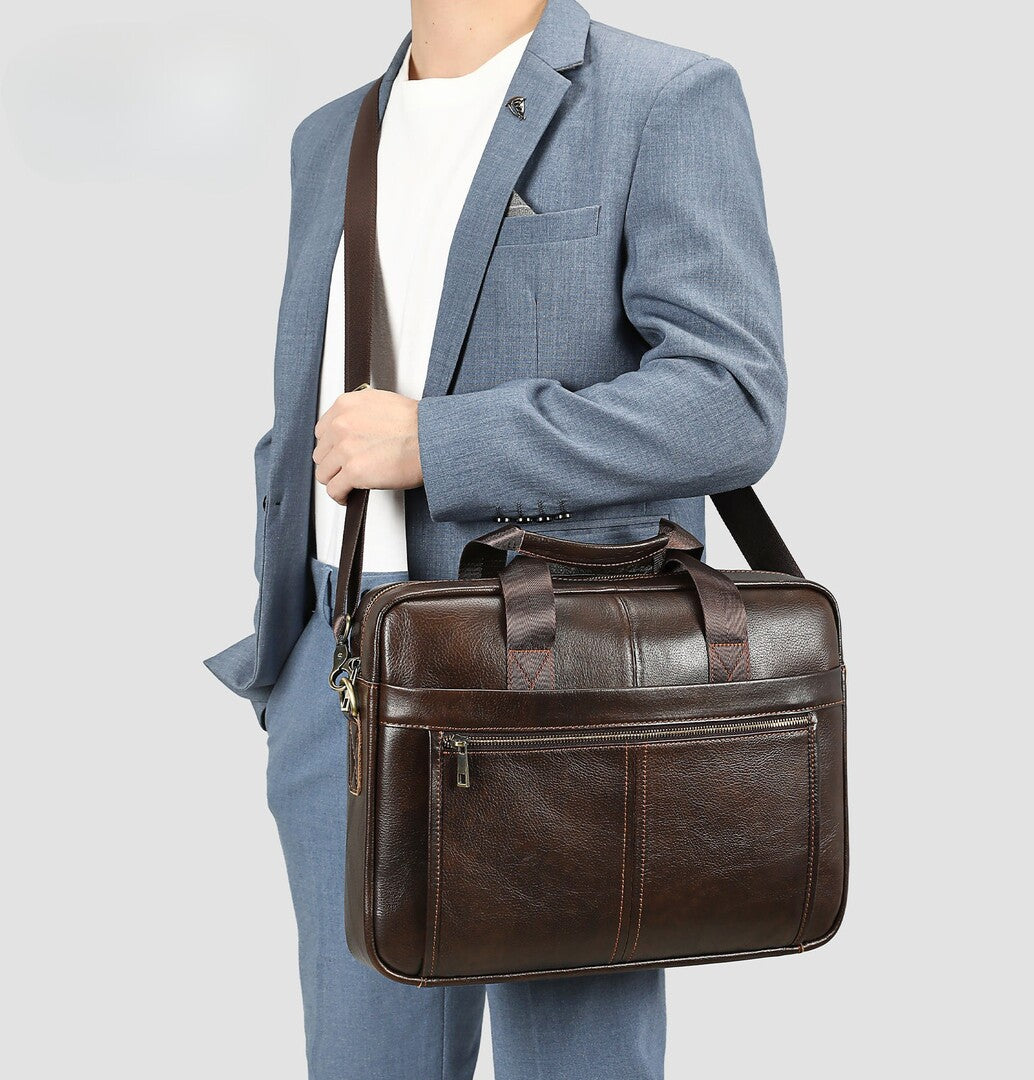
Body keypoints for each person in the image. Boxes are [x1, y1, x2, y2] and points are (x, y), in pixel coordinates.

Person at [205, 0, 786, 1076]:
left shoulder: (664, 98)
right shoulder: (329, 137)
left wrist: (440, 442)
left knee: (576, 1063)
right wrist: (286, 655)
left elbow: (731, 400)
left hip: (559, 683)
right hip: (341, 677)